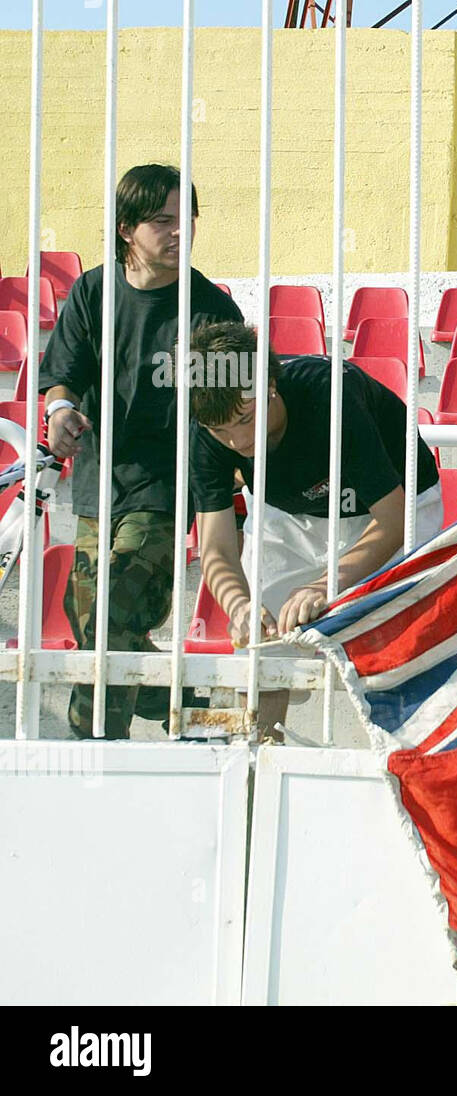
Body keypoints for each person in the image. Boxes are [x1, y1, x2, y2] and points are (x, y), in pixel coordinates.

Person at [40, 163, 244, 739]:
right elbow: (64, 375)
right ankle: (180, 700)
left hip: (166, 485)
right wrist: (60, 411)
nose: (181, 232)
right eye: (163, 221)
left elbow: (228, 408)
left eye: (188, 220)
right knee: (93, 626)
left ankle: (95, 746)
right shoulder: (92, 292)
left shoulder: (210, 309)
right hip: (97, 481)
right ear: (127, 228)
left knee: (110, 614)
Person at [187, 321, 442, 730]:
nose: (236, 442)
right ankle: (253, 764)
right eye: (221, 431)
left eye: (246, 419)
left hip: (396, 506)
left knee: (408, 657)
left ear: (270, 385)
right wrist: (240, 607)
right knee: (257, 651)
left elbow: (394, 522)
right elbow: (216, 548)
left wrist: (322, 585)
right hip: (286, 513)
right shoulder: (205, 426)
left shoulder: (330, 395)